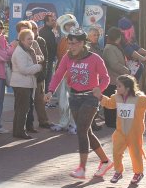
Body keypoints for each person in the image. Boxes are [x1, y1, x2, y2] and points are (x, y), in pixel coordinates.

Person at [45, 28, 111, 179]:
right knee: (86, 131)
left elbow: (105, 78)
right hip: (74, 97)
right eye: (69, 43)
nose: (71, 47)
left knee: (81, 131)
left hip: (90, 98)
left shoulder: (95, 58)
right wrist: (50, 91)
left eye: (74, 44)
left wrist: (99, 89)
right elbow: (58, 75)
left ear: (82, 43)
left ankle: (82, 168)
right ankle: (106, 161)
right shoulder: (67, 58)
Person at [100, 75, 146, 184]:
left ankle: (138, 173)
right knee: (116, 152)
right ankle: (118, 171)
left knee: (135, 153)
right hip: (120, 132)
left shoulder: (139, 99)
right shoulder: (116, 97)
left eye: (119, 86)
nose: (116, 88)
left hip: (134, 133)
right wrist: (100, 97)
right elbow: (109, 104)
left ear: (127, 88)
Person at [10, 29, 42, 139]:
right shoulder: (20, 52)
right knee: (22, 109)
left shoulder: (27, 50)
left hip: (26, 83)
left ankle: (18, 131)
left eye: (32, 38)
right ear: (22, 40)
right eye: (28, 39)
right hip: (21, 84)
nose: (31, 40)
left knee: (23, 108)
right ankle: (20, 131)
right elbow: (23, 69)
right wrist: (38, 67)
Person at [51, 14, 79, 134]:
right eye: (67, 25)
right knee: (62, 101)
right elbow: (59, 56)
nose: (70, 27)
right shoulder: (63, 40)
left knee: (74, 100)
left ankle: (74, 124)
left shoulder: (79, 40)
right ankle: (63, 123)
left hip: (75, 75)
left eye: (72, 24)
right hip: (63, 75)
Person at [102, 27, 130, 128]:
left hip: (116, 78)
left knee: (115, 101)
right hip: (112, 79)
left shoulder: (113, 46)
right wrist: (127, 71)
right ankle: (110, 122)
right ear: (117, 37)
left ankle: (114, 120)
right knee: (111, 102)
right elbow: (114, 64)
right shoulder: (110, 48)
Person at [29, 21, 52, 130]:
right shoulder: (23, 41)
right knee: (27, 101)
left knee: (40, 99)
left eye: (35, 28)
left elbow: (44, 58)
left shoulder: (40, 40)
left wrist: (43, 73)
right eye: (32, 28)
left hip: (39, 74)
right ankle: (28, 123)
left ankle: (43, 121)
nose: (34, 30)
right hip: (27, 75)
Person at [118, 17, 146, 82]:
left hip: (130, 65)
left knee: (139, 68)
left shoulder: (128, 37)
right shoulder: (120, 37)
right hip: (123, 65)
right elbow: (129, 50)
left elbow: (136, 47)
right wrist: (143, 58)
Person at [39, 14, 57, 90]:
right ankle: (44, 99)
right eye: (52, 20)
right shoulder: (46, 32)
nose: (54, 22)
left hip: (47, 60)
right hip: (47, 60)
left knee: (46, 81)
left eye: (54, 20)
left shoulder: (48, 31)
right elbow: (51, 47)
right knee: (46, 81)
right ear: (47, 22)